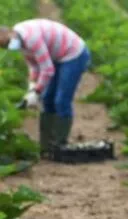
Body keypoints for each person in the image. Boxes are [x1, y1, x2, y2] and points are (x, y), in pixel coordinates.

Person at [0, 19, 91, 159]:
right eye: (3, 47)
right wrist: (31, 86)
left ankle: (60, 146)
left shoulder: (31, 38)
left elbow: (47, 70)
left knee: (61, 100)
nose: (7, 47)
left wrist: (36, 92)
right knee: (47, 99)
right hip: (56, 55)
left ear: (9, 32)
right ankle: (46, 147)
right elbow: (33, 65)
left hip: (73, 54)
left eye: (6, 43)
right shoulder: (20, 40)